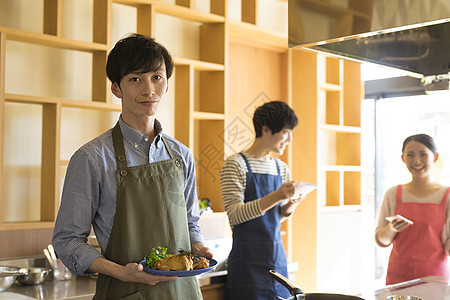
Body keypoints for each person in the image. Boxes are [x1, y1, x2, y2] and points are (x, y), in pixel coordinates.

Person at [52, 33, 212, 299]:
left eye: (156, 77)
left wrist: (198, 246)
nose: (149, 90)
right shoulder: (91, 158)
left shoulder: (182, 156)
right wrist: (120, 271)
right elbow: (67, 242)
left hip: (182, 292)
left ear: (167, 84)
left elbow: (190, 221)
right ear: (116, 88)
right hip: (124, 290)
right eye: (135, 79)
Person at [220, 101, 304, 300]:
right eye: (285, 132)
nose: (290, 139)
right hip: (247, 265)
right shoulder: (235, 164)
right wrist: (277, 196)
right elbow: (235, 215)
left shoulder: (280, 168)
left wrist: (292, 203)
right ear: (265, 129)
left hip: (278, 262)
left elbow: (276, 217)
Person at [375, 133, 450, 285]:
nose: (416, 161)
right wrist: (391, 228)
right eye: (410, 155)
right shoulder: (393, 194)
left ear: (435, 157)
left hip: (435, 279)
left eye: (423, 155)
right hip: (398, 278)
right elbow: (381, 240)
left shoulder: (447, 196)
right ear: (403, 158)